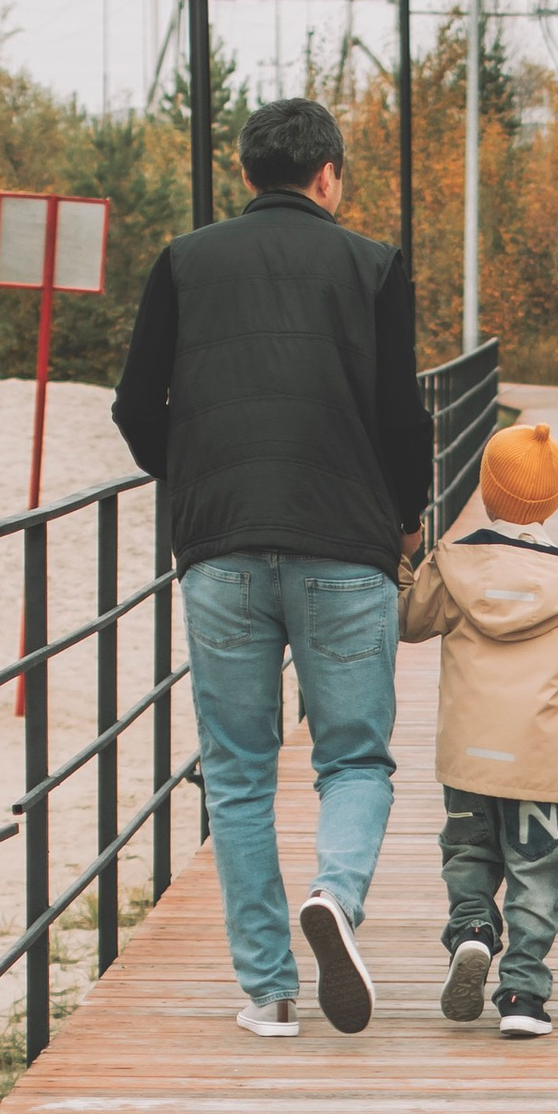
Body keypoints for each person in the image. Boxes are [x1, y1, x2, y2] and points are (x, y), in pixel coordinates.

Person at [112, 94, 434, 1041]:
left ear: (246, 174)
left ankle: (269, 990)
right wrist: (406, 520)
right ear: (328, 176)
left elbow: (136, 404)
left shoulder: (185, 261)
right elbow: (401, 416)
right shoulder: (372, 265)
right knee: (354, 757)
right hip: (346, 544)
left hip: (222, 548)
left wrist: (202, 472)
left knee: (241, 773)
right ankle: (335, 895)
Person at [399, 418, 558, 1040]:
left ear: (485, 489)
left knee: (468, 852)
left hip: (468, 755)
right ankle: (524, 991)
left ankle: (473, 929)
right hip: (543, 762)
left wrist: (402, 560)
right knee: (540, 870)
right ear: (553, 499)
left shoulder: (453, 565)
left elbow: (409, 620)